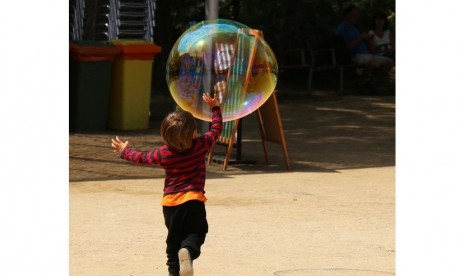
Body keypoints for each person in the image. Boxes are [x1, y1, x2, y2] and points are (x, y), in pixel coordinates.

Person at [111, 92, 223, 276]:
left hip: (170, 206)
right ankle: (187, 251)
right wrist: (215, 108)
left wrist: (124, 151)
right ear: (194, 133)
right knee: (197, 232)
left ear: (165, 136)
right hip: (193, 201)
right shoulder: (201, 145)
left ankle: (174, 271)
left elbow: (141, 158)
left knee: (173, 243)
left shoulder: (163, 153)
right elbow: (217, 129)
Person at [335, 4, 393, 73]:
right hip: (355, 55)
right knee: (373, 63)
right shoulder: (342, 29)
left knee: (389, 62)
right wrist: (361, 37)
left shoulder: (354, 28)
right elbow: (346, 47)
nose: (356, 16)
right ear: (346, 15)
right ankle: (364, 81)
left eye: (356, 14)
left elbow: (360, 42)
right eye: (353, 14)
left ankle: (377, 79)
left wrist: (367, 39)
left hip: (366, 54)